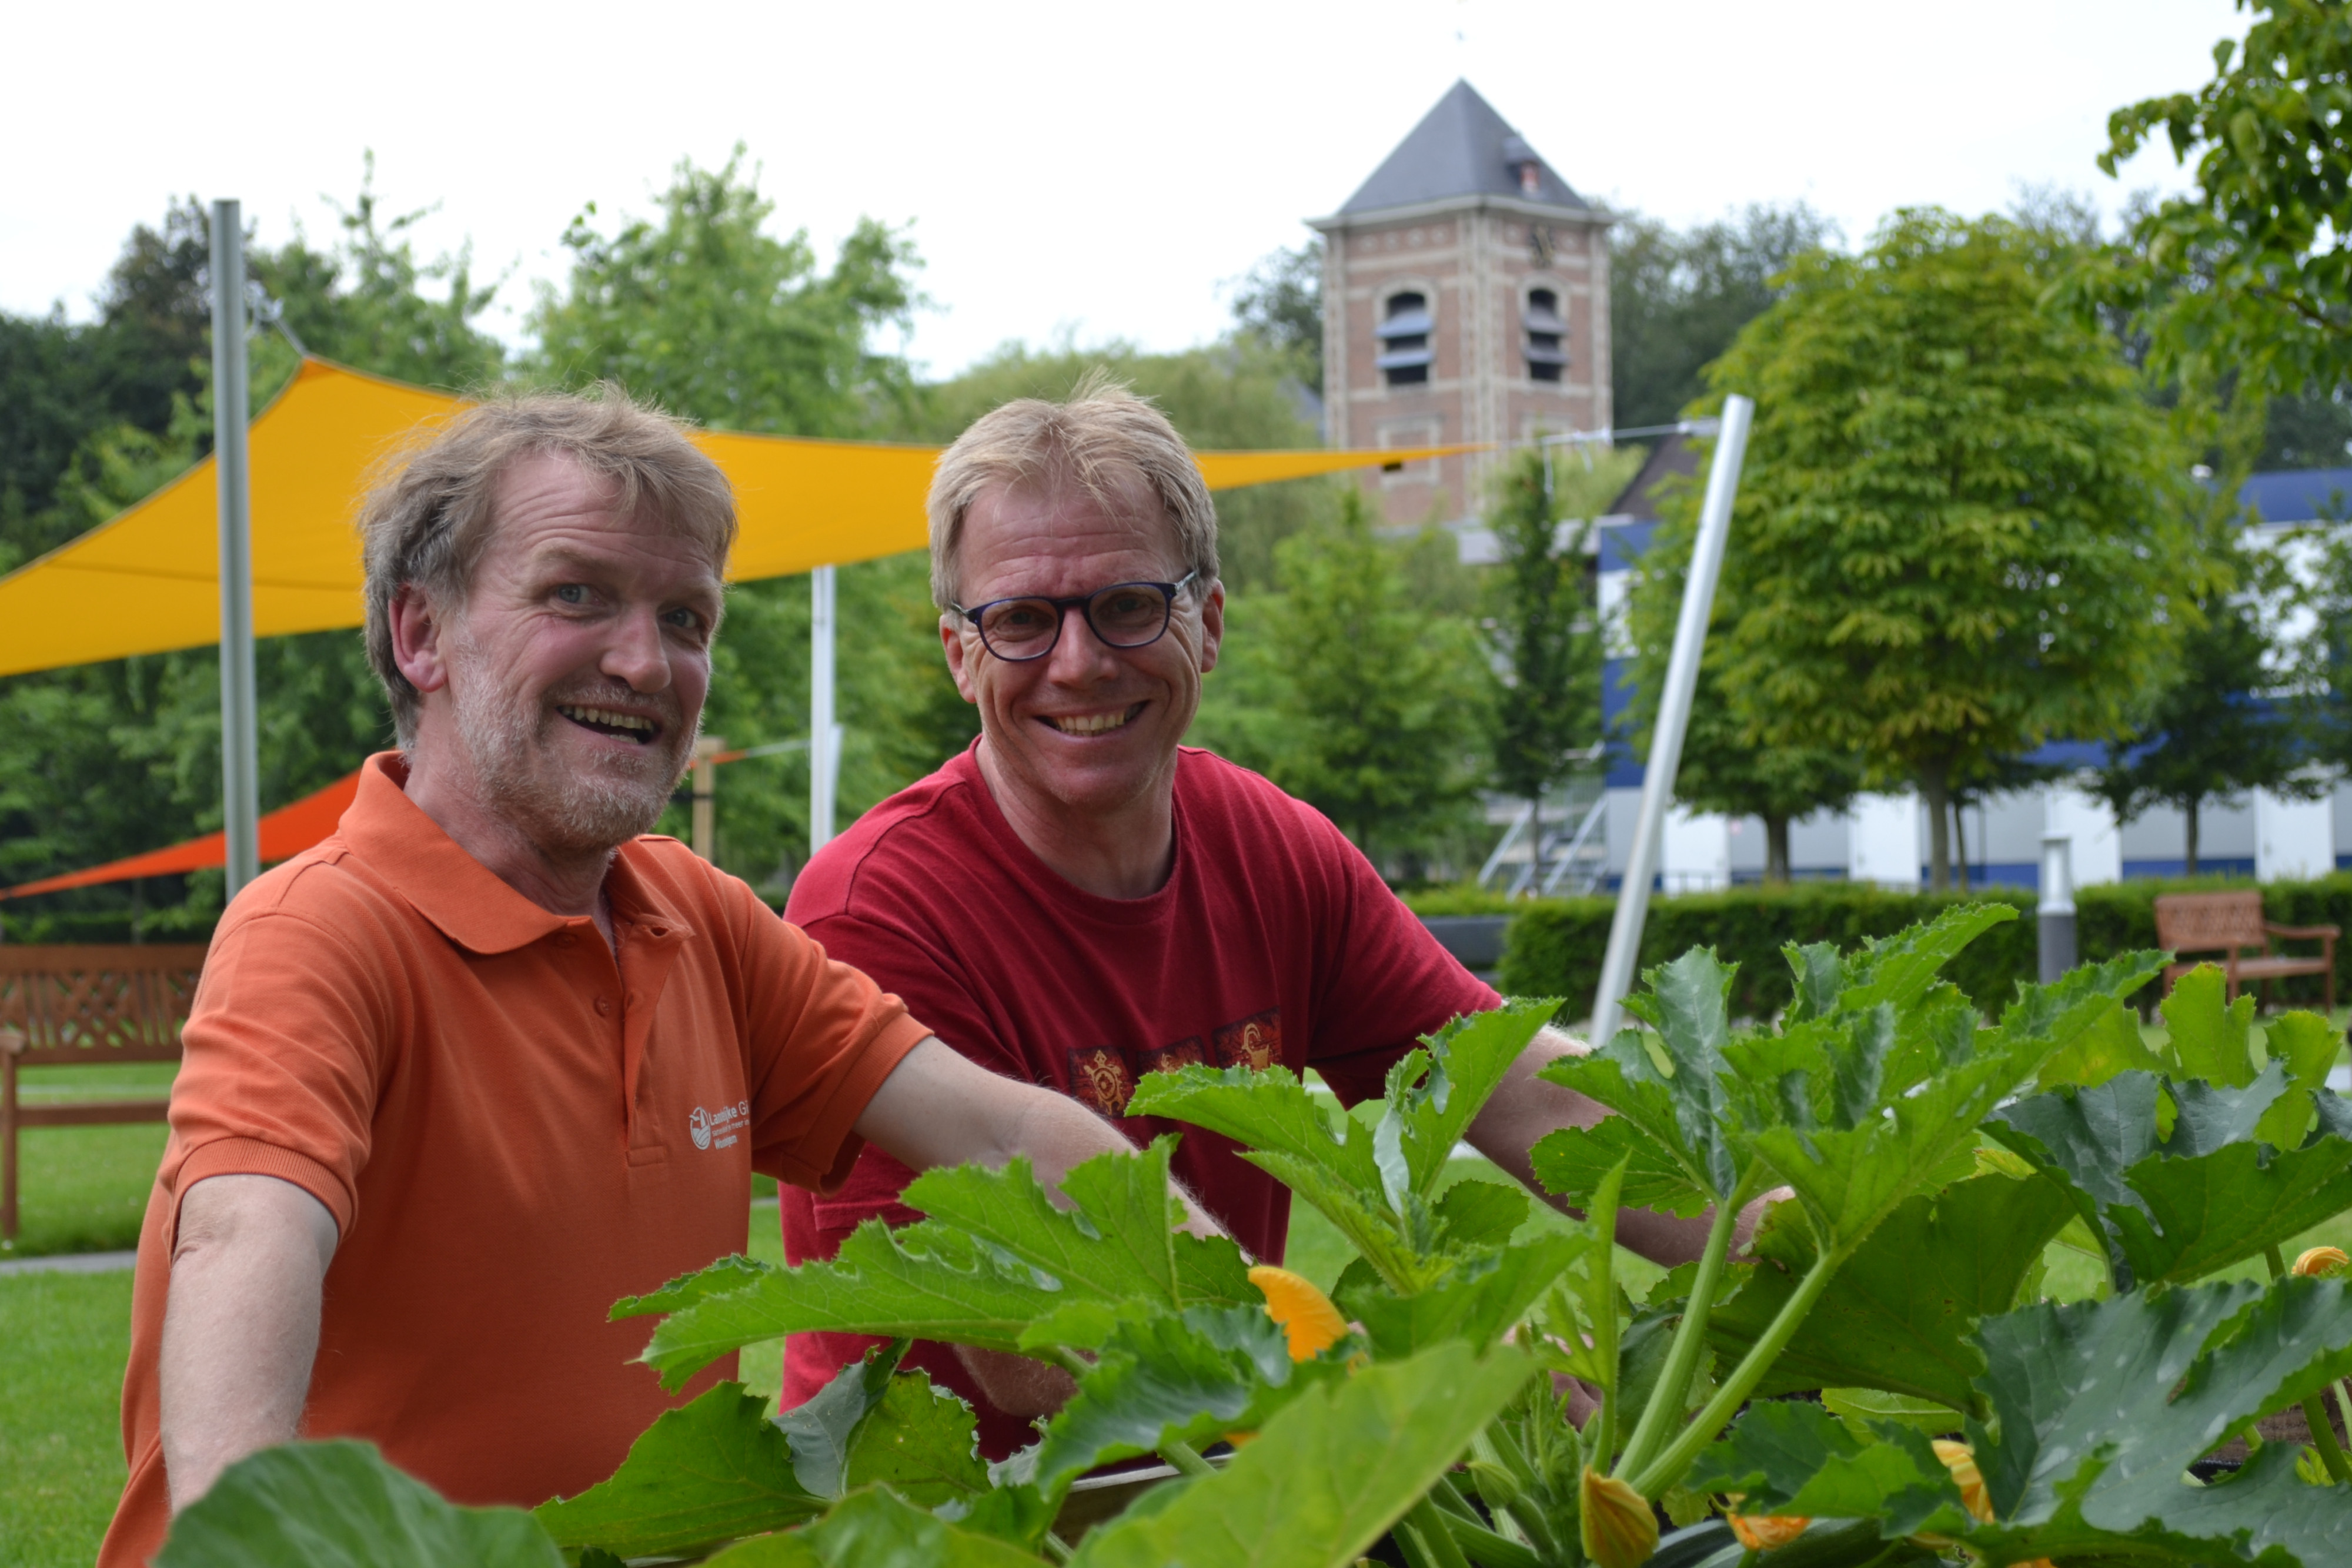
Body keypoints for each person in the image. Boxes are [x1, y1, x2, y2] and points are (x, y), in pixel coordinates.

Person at [99, 390, 1198, 1566]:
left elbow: (996, 1131)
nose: (643, 660)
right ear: (421, 634)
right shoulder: (318, 931)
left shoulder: (691, 917)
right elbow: (242, 1240)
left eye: (685, 616)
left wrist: (1262, 1346)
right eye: (576, 593)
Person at [778, 382, 1735, 1460]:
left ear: (1210, 621)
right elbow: (1020, 1342)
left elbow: (1521, 1092)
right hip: (957, 1524)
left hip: (1230, 1492)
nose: (1080, 660)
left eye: (1130, 604)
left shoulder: (1271, 846)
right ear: (960, 653)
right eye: (1022, 620)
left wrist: (1777, 1222)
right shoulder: (877, 912)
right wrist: (1438, 1396)